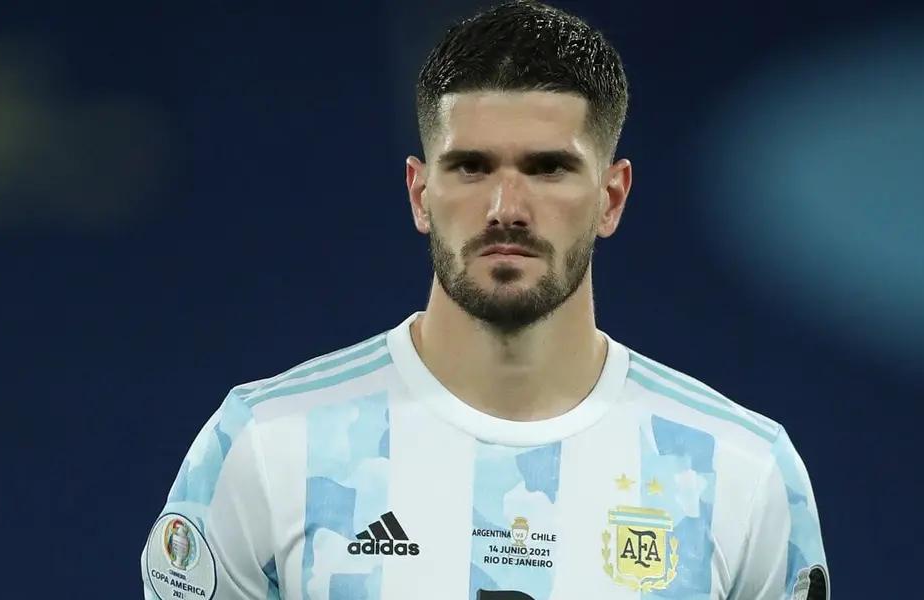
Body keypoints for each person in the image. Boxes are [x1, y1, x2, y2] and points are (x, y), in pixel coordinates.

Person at [139, 1, 828, 598]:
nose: (506, 207)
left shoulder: (742, 471)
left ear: (611, 197)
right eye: (470, 167)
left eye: (548, 168)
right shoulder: (265, 445)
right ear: (419, 192)